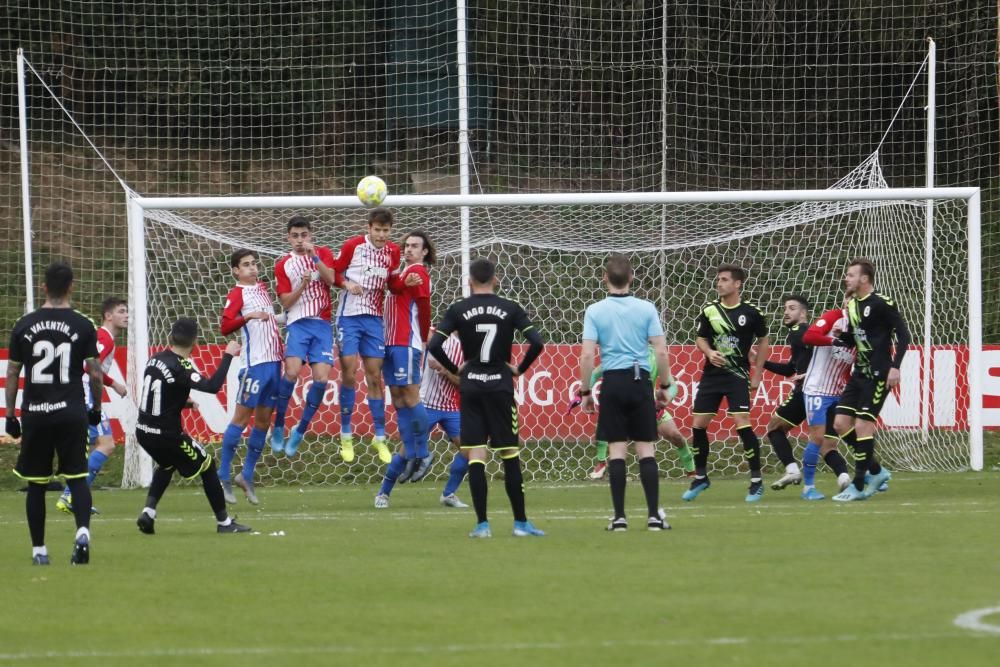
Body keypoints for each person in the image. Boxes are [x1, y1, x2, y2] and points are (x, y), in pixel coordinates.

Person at [427, 257, 545, 538]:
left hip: (471, 389)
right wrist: (519, 368)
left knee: (476, 455)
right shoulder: (510, 308)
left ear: (469, 281)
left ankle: (482, 525)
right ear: (496, 279)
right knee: (509, 454)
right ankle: (520, 524)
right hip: (500, 388)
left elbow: (434, 344)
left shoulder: (458, 309)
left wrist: (457, 368)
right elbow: (537, 342)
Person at [5, 262, 102, 565]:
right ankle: (82, 532)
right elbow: (96, 374)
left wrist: (10, 414)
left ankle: (39, 551)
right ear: (71, 285)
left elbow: (12, 371)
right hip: (71, 411)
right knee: (77, 477)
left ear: (44, 287)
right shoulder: (83, 324)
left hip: (36, 412)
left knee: (36, 483)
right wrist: (96, 409)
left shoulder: (24, 324)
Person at [579, 254, 674, 531]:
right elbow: (660, 350)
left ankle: (619, 518)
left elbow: (587, 355)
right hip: (640, 381)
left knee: (616, 451)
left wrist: (586, 391)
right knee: (646, 449)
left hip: (613, 382)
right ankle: (654, 517)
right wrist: (665, 386)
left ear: (605, 278)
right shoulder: (646, 308)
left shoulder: (595, 310)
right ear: (632, 278)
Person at [134, 318, 250, 534]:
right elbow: (213, 386)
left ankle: (148, 512)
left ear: (171, 336)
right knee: (207, 465)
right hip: (167, 435)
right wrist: (228, 355)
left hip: (143, 431)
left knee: (167, 464)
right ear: (195, 341)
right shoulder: (182, 366)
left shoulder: (155, 359)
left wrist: (184, 402)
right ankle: (224, 524)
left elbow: (158, 394)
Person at [331, 208, 420, 464]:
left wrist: (406, 282)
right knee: (349, 371)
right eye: (377, 230)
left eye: (386, 230)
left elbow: (392, 284)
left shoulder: (392, 252)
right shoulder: (353, 246)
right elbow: (334, 273)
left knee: (375, 376)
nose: (381, 235)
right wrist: (346, 284)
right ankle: (345, 434)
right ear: (369, 228)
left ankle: (379, 437)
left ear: (390, 230)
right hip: (349, 316)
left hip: (374, 319)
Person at [684, 264, 770, 503]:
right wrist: (709, 353)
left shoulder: (752, 313)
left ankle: (756, 481)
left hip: (737, 375)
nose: (719, 283)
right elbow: (700, 338)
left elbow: (763, 341)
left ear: (737, 284)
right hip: (712, 374)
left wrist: (758, 373)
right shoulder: (709, 310)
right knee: (698, 424)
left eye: (723, 279)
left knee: (742, 422)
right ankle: (701, 477)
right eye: (718, 279)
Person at [832, 258, 909, 501]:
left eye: (851, 275)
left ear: (864, 279)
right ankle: (875, 471)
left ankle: (857, 485)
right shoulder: (852, 305)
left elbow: (904, 336)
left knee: (864, 426)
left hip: (879, 375)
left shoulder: (882, 303)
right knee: (840, 425)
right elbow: (857, 339)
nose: (847, 278)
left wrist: (895, 367)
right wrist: (840, 336)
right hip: (859, 373)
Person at [375, 331, 470, 509]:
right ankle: (383, 494)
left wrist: (446, 371)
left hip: (451, 409)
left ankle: (448, 494)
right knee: (406, 450)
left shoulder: (470, 349)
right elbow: (420, 332)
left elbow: (464, 383)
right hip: (426, 405)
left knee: (469, 450)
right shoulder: (436, 336)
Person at [218, 249, 284, 505]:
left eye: (254, 264)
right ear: (236, 270)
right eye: (246, 265)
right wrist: (248, 316)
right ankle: (223, 474)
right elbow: (225, 327)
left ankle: (246, 475)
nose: (252, 268)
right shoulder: (238, 293)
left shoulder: (261, 289)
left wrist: (286, 318)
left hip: (274, 365)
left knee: (263, 422)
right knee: (241, 418)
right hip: (254, 366)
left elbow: (267, 322)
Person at [270, 216, 338, 458]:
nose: (300, 240)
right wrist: (302, 285)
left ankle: (299, 431)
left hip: (321, 325)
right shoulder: (283, 264)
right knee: (291, 372)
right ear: (289, 238)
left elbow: (331, 279)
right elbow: (285, 302)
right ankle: (278, 426)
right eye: (295, 236)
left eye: (304, 235)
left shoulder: (323, 254)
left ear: (311, 235)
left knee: (321, 379)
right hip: (297, 323)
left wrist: (315, 258)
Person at [575, 345, 695, 481]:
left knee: (675, 435)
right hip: (625, 407)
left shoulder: (655, 356)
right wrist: (585, 390)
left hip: (651, 407)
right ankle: (602, 465)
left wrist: (667, 398)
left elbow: (673, 386)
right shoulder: (620, 355)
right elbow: (596, 373)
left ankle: (692, 471)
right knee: (610, 431)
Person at [56, 296, 129, 515]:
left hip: (76, 391)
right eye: (122, 311)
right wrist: (114, 383)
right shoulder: (104, 338)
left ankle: (70, 495)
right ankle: (71, 496)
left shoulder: (103, 337)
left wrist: (113, 384)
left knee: (88, 447)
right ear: (108, 316)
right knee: (106, 444)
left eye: (127, 312)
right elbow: (90, 367)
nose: (126, 316)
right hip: (85, 393)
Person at [383, 230, 433, 482]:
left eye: (415, 246)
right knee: (398, 398)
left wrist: (423, 338)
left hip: (406, 342)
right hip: (389, 342)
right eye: (407, 245)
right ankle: (411, 451)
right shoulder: (402, 274)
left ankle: (423, 452)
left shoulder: (419, 273)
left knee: (411, 395)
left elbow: (424, 308)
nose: (409, 249)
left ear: (425, 251)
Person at [798, 299, 856, 499]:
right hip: (817, 390)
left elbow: (847, 367)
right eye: (850, 299)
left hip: (838, 392)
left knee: (832, 442)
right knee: (817, 437)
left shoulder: (861, 330)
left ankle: (849, 477)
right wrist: (833, 340)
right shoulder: (834, 317)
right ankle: (808, 488)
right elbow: (809, 336)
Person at [761, 294, 811, 490]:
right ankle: (871, 471)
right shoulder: (800, 334)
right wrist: (761, 362)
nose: (786, 312)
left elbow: (822, 351)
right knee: (833, 435)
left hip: (807, 390)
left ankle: (793, 471)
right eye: (785, 309)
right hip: (817, 390)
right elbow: (791, 369)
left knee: (774, 428)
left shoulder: (800, 331)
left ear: (803, 312)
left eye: (791, 308)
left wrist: (808, 374)